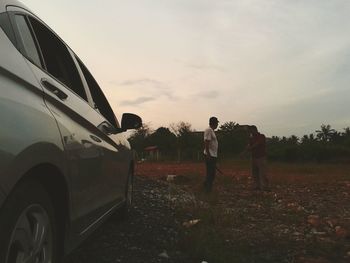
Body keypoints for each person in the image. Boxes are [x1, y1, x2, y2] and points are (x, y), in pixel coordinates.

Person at [243, 125, 269, 191]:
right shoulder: (251, 138)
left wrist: (250, 148)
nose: (250, 132)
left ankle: (264, 187)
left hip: (261, 157)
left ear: (254, 130)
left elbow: (257, 144)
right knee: (254, 173)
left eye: (251, 130)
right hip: (254, 157)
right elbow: (249, 145)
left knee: (262, 173)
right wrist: (244, 152)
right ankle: (257, 186)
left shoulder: (261, 136)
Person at [203, 116, 219, 192]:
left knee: (212, 173)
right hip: (210, 155)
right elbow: (206, 142)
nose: (217, 125)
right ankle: (207, 190)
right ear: (214, 123)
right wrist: (208, 154)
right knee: (210, 174)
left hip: (213, 155)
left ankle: (206, 187)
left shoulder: (212, 131)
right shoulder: (209, 130)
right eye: (217, 123)